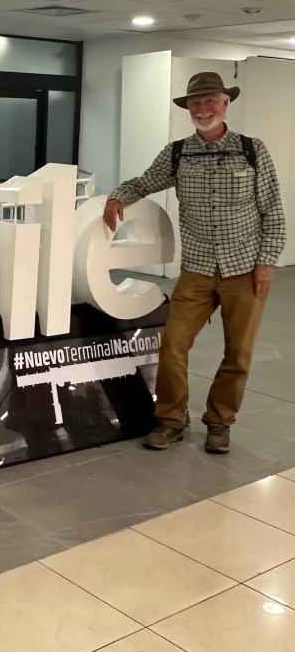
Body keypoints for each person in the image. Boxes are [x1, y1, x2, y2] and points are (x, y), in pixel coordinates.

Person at [103, 72, 286, 454]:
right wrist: (117, 197)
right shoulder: (177, 153)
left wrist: (266, 262)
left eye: (210, 101)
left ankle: (220, 423)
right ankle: (171, 420)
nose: (203, 109)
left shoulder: (252, 150)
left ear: (226, 103)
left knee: (238, 353)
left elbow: (272, 209)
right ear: (188, 109)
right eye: (195, 103)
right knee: (173, 346)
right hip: (197, 269)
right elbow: (143, 183)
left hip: (244, 268)